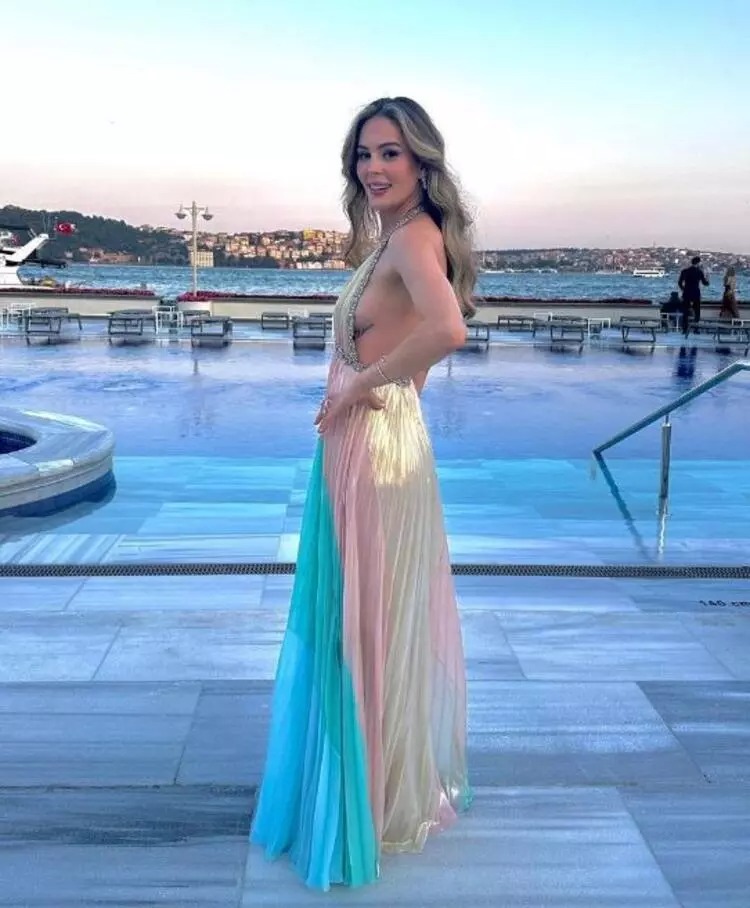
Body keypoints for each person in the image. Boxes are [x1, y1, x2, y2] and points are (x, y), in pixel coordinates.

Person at [250, 97, 473, 891]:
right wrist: (391, 387)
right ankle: (369, 784)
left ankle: (363, 801)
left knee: (362, 619)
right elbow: (420, 339)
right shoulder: (398, 236)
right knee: (360, 613)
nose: (374, 168)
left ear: (421, 162)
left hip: (373, 444)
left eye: (390, 153)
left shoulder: (412, 237)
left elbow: (448, 330)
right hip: (372, 436)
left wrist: (362, 386)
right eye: (364, 154)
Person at [677, 255, 709, 334]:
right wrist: (708, 278)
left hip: (687, 293)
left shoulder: (685, 271)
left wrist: (683, 289)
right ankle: (695, 329)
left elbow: (679, 282)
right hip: (695, 293)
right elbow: (705, 283)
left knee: (685, 312)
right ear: (698, 263)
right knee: (697, 312)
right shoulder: (699, 272)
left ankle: (684, 329)